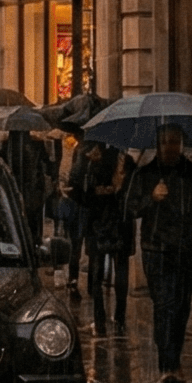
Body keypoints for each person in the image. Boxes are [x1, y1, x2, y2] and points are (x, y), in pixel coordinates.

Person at [130, 124, 192, 383]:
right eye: (165, 142)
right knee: (164, 306)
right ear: (158, 145)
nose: (169, 147)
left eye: (174, 142)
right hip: (156, 248)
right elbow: (131, 208)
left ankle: (174, 359)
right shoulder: (145, 174)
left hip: (186, 249)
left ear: (181, 144)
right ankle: (167, 364)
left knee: (181, 307)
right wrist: (152, 198)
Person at [68, 137, 132, 333]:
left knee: (98, 272)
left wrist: (95, 192)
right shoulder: (126, 160)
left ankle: (102, 320)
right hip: (118, 221)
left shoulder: (90, 156)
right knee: (119, 270)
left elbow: (75, 188)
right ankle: (119, 319)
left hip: (100, 220)